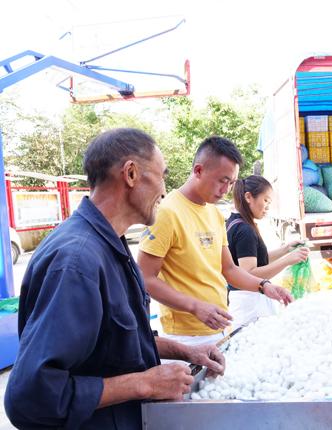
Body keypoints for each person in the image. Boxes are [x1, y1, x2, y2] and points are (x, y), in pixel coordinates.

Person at [4, 128, 225, 429]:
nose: (163, 190)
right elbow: (32, 397)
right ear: (131, 174)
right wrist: (144, 384)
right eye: (161, 176)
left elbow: (116, 342)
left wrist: (185, 351)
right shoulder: (77, 262)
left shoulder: (113, 246)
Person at [138, 136, 292, 346]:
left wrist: (264, 286)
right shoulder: (167, 213)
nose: (226, 189)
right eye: (222, 180)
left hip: (218, 327)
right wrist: (195, 307)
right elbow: (145, 278)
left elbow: (228, 269)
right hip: (184, 336)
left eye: (231, 183)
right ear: (199, 171)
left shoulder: (214, 213)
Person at [227, 175, 309, 329]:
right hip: (249, 304)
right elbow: (249, 273)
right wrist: (287, 261)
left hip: (244, 301)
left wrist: (285, 250)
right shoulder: (245, 230)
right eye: (265, 200)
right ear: (248, 197)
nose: (267, 207)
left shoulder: (235, 222)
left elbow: (256, 260)